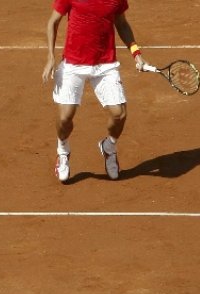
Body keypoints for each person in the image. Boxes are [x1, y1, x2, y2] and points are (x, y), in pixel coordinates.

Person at [41, 0, 151, 182]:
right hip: (73, 65)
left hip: (105, 65)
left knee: (119, 114)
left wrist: (136, 54)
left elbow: (121, 23)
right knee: (64, 118)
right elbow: (53, 21)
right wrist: (50, 57)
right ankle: (63, 151)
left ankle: (109, 147)